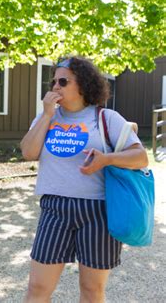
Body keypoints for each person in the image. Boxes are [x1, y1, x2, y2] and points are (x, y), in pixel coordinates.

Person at [20, 56, 148, 302]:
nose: (56, 87)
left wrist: (107, 159)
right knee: (37, 287)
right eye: (54, 82)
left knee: (91, 290)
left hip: (98, 211)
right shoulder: (46, 118)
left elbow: (140, 157)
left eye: (63, 81)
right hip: (54, 209)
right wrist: (46, 115)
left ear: (84, 84)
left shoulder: (107, 118)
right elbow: (28, 152)